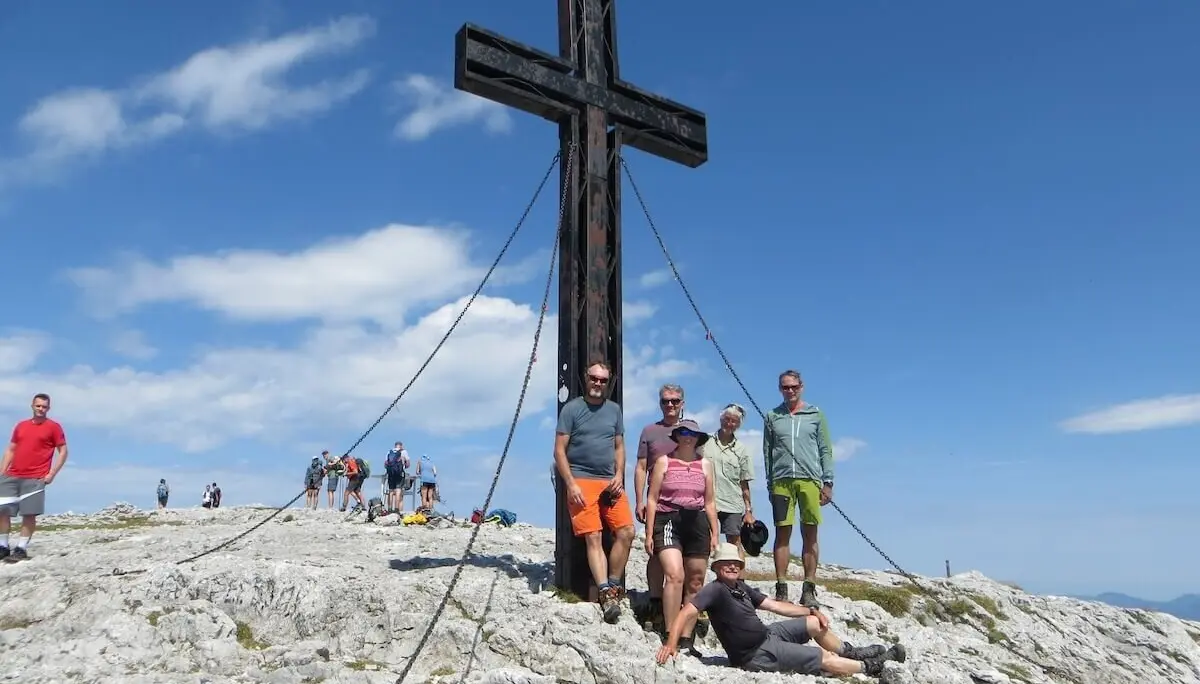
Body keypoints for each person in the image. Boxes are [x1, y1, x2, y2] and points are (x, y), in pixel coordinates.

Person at [656, 543, 905, 677]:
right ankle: (872, 667)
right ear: (717, 567)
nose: (731, 566)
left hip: (768, 635)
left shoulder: (741, 587)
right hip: (756, 655)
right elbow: (687, 612)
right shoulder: (715, 589)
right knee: (824, 659)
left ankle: (851, 653)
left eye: (735, 563)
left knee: (814, 625)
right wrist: (671, 643)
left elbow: (775, 606)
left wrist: (811, 612)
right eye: (726, 563)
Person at [553, 360, 636, 624]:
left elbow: (619, 446)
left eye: (603, 379)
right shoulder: (572, 409)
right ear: (585, 378)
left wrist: (620, 474)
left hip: (609, 481)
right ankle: (604, 592)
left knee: (627, 531)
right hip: (581, 479)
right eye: (594, 378)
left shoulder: (614, 410)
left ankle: (612, 585)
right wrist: (571, 483)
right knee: (594, 536)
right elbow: (559, 451)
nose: (598, 383)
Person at [644, 418, 718, 654]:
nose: (688, 437)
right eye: (684, 432)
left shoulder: (705, 464)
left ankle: (687, 637)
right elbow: (653, 498)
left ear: (698, 439)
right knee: (675, 575)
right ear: (677, 435)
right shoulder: (663, 462)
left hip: (696, 520)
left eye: (693, 434)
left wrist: (715, 532)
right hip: (668, 518)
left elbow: (710, 501)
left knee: (695, 580)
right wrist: (648, 533)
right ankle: (670, 632)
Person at [763, 369, 834, 607]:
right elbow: (767, 452)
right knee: (782, 532)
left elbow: (825, 449)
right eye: (785, 387)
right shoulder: (772, 416)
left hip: (810, 480)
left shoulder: (815, 414)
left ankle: (809, 587)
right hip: (781, 482)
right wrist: (770, 483)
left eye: (794, 386)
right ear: (780, 389)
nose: (790, 391)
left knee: (810, 533)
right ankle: (781, 586)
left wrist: (828, 481)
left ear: (801, 387)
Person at [633, 383, 686, 630]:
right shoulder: (649, 431)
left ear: (682, 403)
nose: (670, 405)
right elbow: (641, 467)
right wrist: (639, 500)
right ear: (660, 403)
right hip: (658, 503)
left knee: (686, 555)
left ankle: (685, 604)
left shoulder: (692, 430)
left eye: (675, 401)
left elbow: (702, 465)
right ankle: (655, 601)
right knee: (654, 552)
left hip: (687, 503)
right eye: (666, 401)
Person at [0, 393, 69, 563]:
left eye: (44, 406)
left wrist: (52, 474)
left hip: (36, 477)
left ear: (48, 408)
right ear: (32, 406)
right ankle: (3, 547)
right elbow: (11, 449)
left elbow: (63, 451)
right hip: (12, 475)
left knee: (29, 513)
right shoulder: (21, 426)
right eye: (38, 406)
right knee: (3, 511)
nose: (41, 409)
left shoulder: (54, 427)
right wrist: (2, 472)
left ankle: (21, 548)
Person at [706, 403, 755, 571]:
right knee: (704, 542)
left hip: (732, 503)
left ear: (738, 425)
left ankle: (739, 584)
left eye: (734, 421)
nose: (729, 423)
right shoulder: (705, 442)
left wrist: (748, 510)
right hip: (706, 501)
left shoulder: (742, 450)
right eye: (727, 419)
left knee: (734, 543)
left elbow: (744, 483)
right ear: (721, 419)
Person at [385, 441, 410, 513]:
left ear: (395, 446)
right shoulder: (403, 452)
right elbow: (408, 464)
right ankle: (396, 509)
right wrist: (403, 466)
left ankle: (389, 508)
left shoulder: (389, 452)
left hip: (391, 473)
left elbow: (385, 464)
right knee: (398, 490)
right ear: (401, 446)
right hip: (399, 473)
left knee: (391, 491)